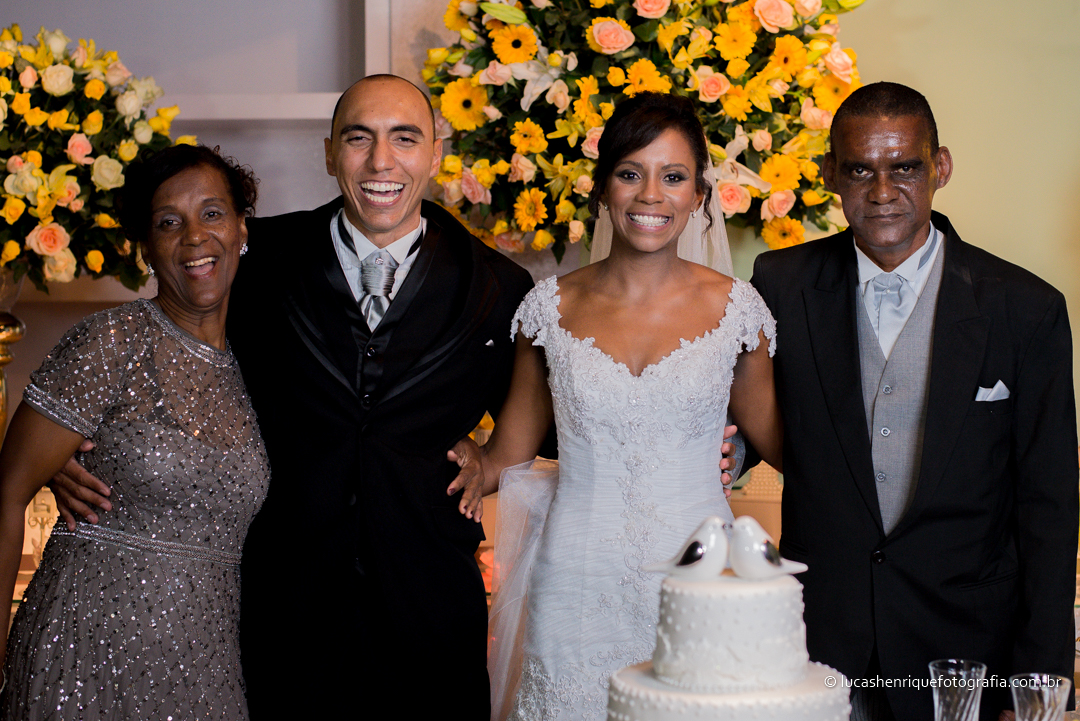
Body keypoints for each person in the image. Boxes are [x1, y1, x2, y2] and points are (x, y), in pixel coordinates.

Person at [51, 74, 534, 719]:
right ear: (330, 154)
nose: (381, 162)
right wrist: (64, 447)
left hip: (430, 618)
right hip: (279, 617)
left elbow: (546, 427)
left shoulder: (499, 287)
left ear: (436, 154)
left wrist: (487, 457)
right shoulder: (252, 258)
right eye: (358, 139)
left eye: (404, 139)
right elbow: (162, 354)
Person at [748, 82, 1078, 721]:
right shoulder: (779, 284)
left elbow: (1050, 505)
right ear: (830, 174)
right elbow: (747, 412)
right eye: (859, 170)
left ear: (940, 167)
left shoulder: (1026, 307)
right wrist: (722, 451)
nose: (882, 191)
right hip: (818, 643)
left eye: (904, 168)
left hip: (965, 648)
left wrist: (1038, 683)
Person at [450, 92, 783, 721]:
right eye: (631, 173)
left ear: (699, 196)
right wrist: (464, 455)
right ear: (603, 188)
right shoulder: (548, 309)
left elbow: (785, 443)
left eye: (673, 177)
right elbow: (506, 456)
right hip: (576, 582)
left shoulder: (738, 311)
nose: (651, 195)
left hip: (699, 579)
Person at [0, 145, 266, 718]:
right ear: (145, 247)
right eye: (169, 222)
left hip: (207, 671)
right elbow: (6, 494)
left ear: (242, 228)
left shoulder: (263, 365)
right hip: (78, 659)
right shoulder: (111, 342)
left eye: (212, 214)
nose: (195, 237)